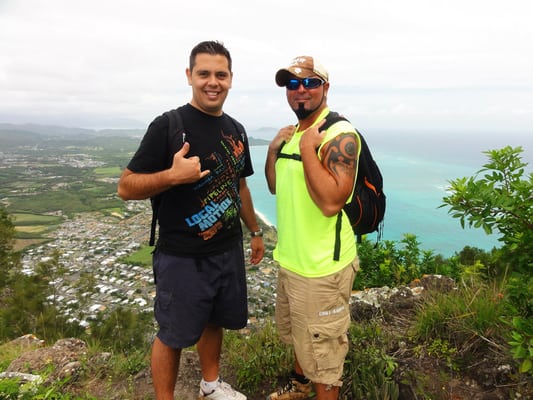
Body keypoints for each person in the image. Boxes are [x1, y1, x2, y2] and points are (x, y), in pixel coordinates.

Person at [118, 40, 264, 400]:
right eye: (204, 74)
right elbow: (126, 186)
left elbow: (239, 186)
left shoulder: (237, 129)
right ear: (189, 76)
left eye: (220, 74)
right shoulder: (168, 125)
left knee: (215, 321)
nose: (212, 82)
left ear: (231, 79)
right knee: (172, 334)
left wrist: (255, 231)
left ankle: (210, 386)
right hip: (181, 255)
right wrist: (171, 176)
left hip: (227, 249)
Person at [264, 56, 361, 400]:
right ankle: (299, 385)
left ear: (326, 87)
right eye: (292, 84)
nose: (300, 90)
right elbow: (276, 186)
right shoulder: (295, 134)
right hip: (292, 259)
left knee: (324, 358)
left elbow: (332, 201)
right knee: (300, 338)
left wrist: (308, 150)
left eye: (309, 82)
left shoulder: (338, 134)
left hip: (323, 269)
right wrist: (274, 149)